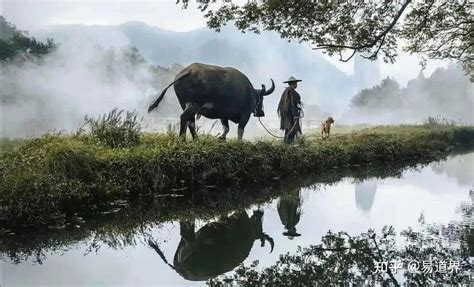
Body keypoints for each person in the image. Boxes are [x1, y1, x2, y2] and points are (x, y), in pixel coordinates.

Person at [277, 76, 303, 144]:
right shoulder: (290, 91)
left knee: (288, 130)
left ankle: (286, 145)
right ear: (293, 83)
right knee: (291, 130)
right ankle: (288, 145)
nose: (297, 84)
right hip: (290, 115)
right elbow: (291, 104)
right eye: (296, 83)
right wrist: (295, 115)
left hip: (287, 114)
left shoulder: (287, 91)